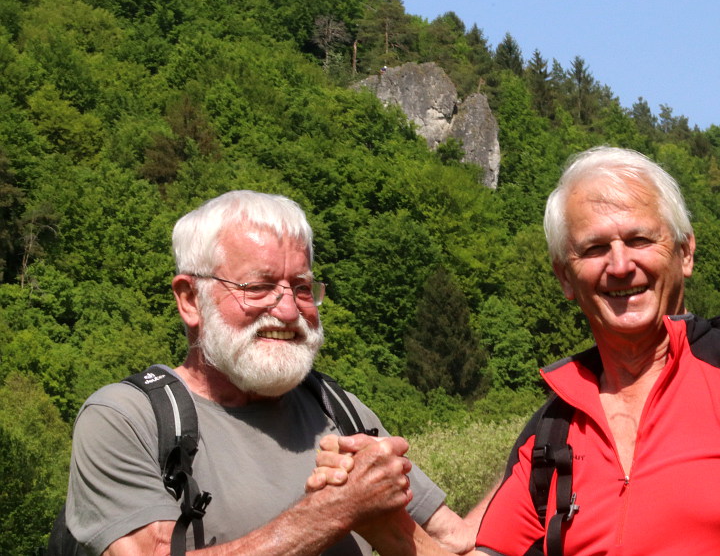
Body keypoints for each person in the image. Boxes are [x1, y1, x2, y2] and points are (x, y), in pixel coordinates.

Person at [323, 146, 720, 555]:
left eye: (641, 239)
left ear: (685, 253)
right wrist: (381, 521)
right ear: (565, 277)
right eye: (595, 248)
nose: (620, 265)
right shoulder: (552, 432)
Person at [63, 190, 475, 555]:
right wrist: (335, 511)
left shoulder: (338, 409)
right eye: (257, 287)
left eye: (300, 287)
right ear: (190, 300)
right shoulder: (125, 418)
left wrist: (529, 458)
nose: (289, 311)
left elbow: (457, 541)